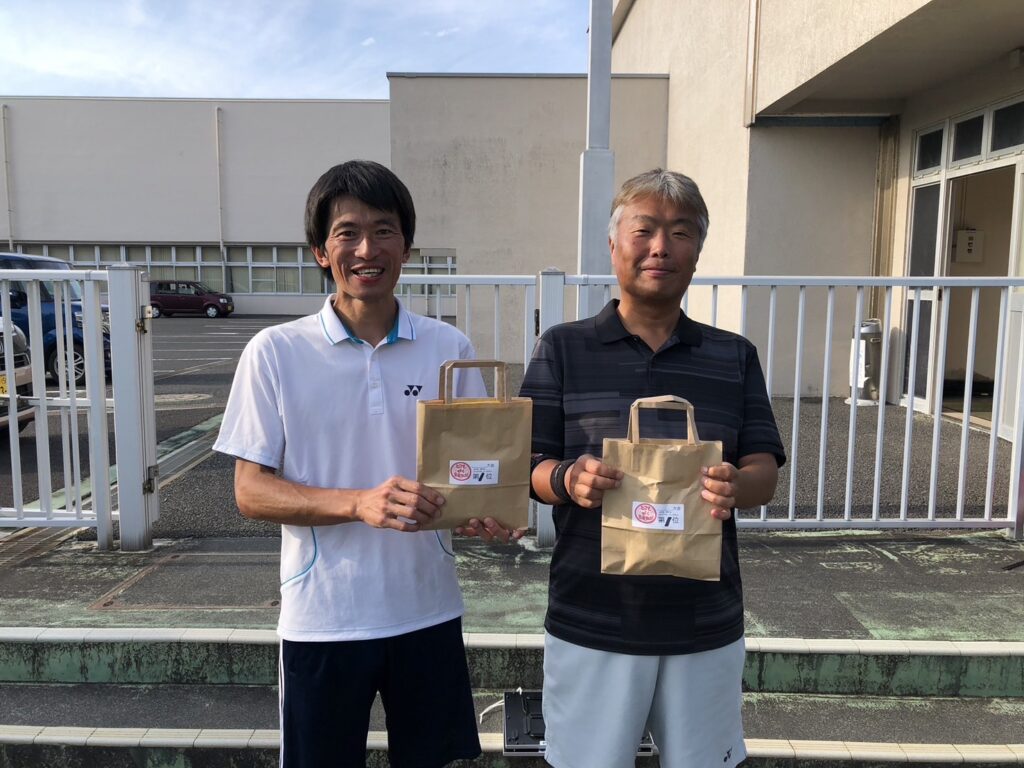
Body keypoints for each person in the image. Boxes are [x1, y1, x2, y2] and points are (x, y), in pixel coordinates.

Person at [214, 160, 515, 768]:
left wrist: (484, 513)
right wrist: (357, 502)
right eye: (347, 233)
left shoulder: (448, 348)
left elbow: (470, 472)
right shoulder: (275, 351)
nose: (367, 249)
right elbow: (251, 491)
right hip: (323, 619)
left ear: (407, 246)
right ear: (321, 252)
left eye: (384, 230)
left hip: (427, 610)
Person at [520, 168, 786, 768]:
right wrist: (567, 479)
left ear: (698, 251)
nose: (661, 247)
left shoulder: (732, 356)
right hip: (592, 615)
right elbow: (528, 465)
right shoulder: (563, 348)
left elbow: (763, 470)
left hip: (705, 619)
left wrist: (738, 486)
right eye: (644, 230)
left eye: (680, 232)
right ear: (614, 244)